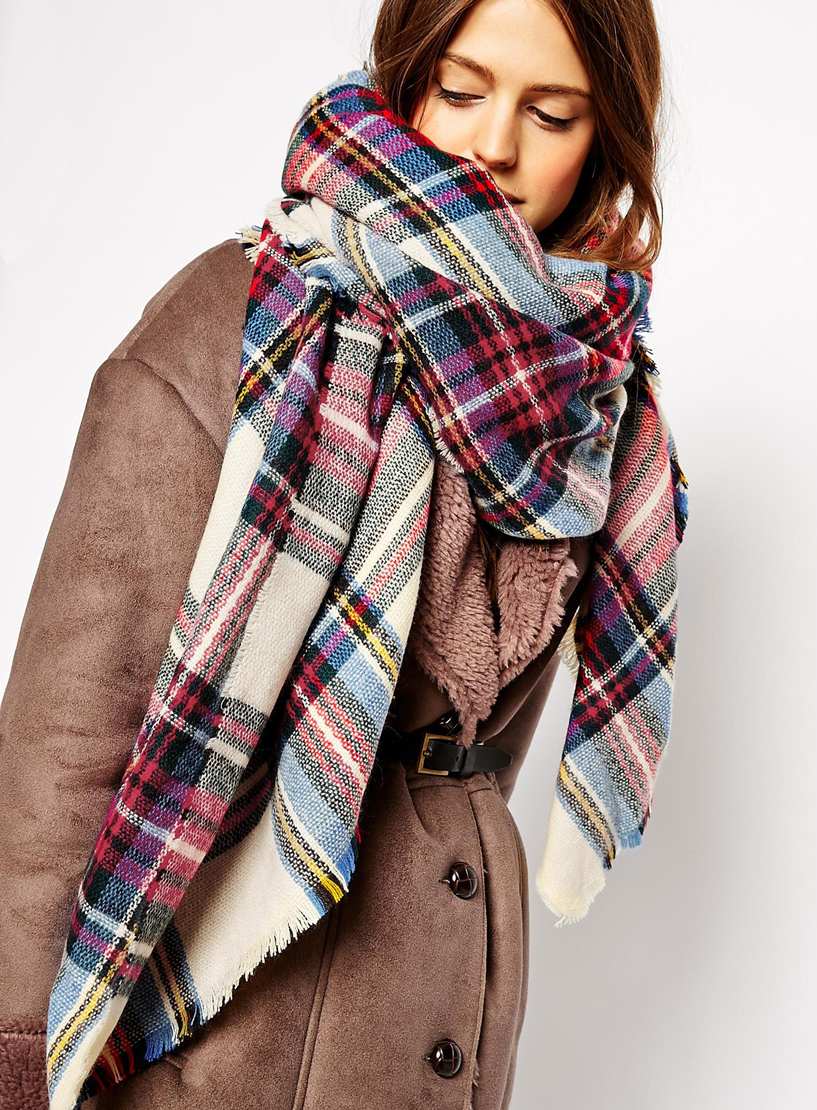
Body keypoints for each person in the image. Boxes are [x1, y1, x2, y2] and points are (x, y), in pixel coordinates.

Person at [0, 1, 678, 1108]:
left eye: (552, 114)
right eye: (462, 89)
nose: (494, 144)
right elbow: (64, 738)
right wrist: (23, 1060)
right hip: (237, 1023)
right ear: (407, 74)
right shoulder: (242, 318)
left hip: (447, 1006)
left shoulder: (592, 396)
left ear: (606, 137)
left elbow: (482, 745)